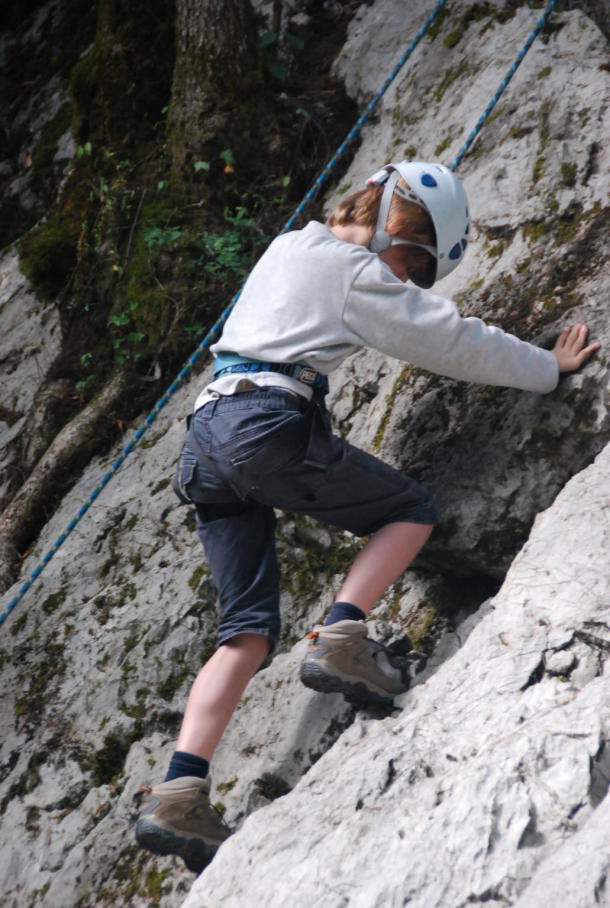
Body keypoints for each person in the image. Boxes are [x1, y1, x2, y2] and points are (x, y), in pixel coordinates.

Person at [135, 161, 600, 872]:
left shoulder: (289, 246)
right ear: (398, 231)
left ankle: (179, 792)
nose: (406, 281)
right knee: (408, 511)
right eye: (413, 265)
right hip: (262, 422)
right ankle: (344, 637)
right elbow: (452, 341)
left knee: (247, 632)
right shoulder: (354, 270)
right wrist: (546, 366)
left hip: (205, 439)